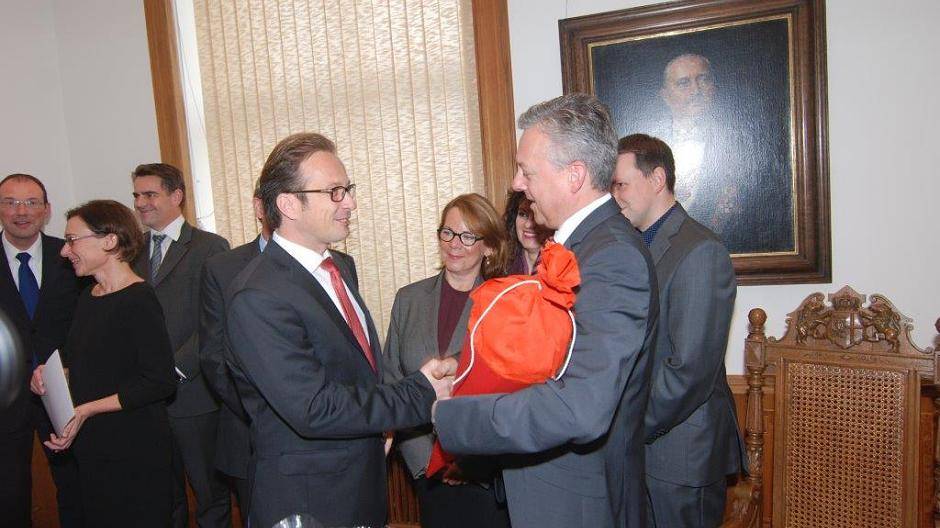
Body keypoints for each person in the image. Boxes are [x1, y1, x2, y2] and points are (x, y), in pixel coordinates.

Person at [433, 93, 659, 528]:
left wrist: (453, 415)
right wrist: (469, 368)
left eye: (527, 171)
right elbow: (553, 356)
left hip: (577, 505)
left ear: (574, 175)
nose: (517, 183)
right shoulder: (579, 244)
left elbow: (580, 407)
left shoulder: (611, 256)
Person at [225, 132, 455, 528]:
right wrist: (419, 391)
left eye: (348, 189)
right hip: (309, 501)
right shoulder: (257, 295)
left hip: (361, 484)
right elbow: (313, 407)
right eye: (334, 192)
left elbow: (355, 371)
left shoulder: (340, 267)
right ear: (288, 204)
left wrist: (383, 425)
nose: (350, 203)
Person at [611, 133, 743, 527]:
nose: (615, 196)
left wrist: (628, 430)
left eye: (621, 184)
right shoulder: (633, 245)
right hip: (645, 450)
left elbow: (688, 371)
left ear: (656, 179)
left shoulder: (700, 251)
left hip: (681, 456)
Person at [31, 199, 177, 527]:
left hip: (135, 449)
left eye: (72, 240)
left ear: (110, 241)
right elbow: (87, 362)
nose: (64, 251)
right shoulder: (88, 297)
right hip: (93, 447)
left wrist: (86, 410)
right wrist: (51, 376)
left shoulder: (139, 299)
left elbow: (160, 381)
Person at [383, 193, 511, 528]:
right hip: (426, 474)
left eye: (468, 236)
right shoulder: (408, 300)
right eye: (448, 232)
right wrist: (426, 462)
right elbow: (392, 384)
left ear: (489, 247)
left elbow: (508, 394)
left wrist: (471, 463)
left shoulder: (502, 305)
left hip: (485, 476)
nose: (455, 243)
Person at [130, 163, 231, 528]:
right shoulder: (131, 251)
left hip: (193, 394)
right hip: (145, 398)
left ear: (176, 196)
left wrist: (176, 368)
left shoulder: (210, 247)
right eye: (136, 195)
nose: (141, 203)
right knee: (163, 494)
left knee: (209, 494)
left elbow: (217, 320)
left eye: (150, 194)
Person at [0, 173, 84, 528]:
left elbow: (87, 324)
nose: (22, 211)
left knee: (76, 489)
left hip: (64, 392)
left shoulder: (72, 257)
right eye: (11, 202)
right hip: (5, 399)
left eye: (31, 202)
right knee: (9, 496)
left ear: (47, 210)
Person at [657, 53, 793, 254]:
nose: (696, 91)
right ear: (665, 96)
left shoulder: (746, 144)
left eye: (703, 80)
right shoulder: (646, 149)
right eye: (684, 83)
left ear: (715, 87)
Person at [198, 187, 270, 517]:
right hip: (250, 436)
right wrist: (262, 415)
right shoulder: (222, 267)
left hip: (327, 441)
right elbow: (214, 357)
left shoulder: (338, 264)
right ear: (260, 206)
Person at [504, 190, 552, 275]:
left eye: (537, 215)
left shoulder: (566, 266)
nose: (528, 225)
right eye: (523, 214)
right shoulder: (501, 267)